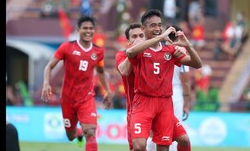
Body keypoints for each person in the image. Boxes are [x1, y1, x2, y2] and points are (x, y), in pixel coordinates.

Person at [126, 9, 202, 151]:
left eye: (159, 25)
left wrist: (188, 45)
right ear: (144, 29)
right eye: (153, 25)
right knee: (138, 146)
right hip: (143, 102)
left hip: (165, 103)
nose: (158, 28)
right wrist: (160, 38)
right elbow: (129, 52)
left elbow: (197, 64)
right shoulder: (139, 49)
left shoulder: (170, 51)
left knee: (166, 146)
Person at [41, 15, 112, 151]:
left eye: (91, 28)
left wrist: (107, 90)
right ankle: (78, 133)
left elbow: (101, 71)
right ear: (78, 30)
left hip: (86, 98)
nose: (88, 31)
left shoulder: (98, 51)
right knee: (71, 135)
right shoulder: (67, 47)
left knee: (90, 132)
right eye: (85, 28)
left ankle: (84, 133)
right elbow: (49, 66)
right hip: (68, 99)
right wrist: (46, 83)